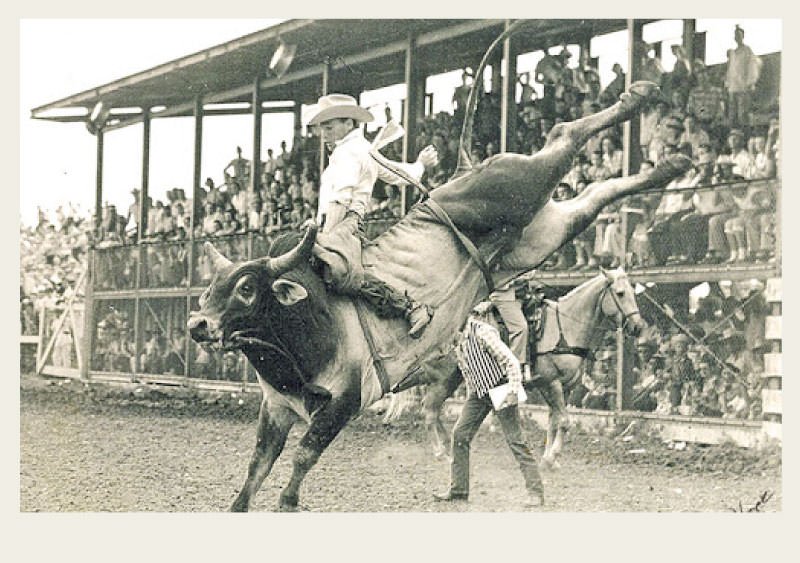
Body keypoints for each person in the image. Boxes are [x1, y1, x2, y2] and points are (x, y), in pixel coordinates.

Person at [308, 93, 439, 338]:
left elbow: (340, 200)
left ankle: (408, 307)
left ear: (348, 123)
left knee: (335, 272)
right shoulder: (360, 150)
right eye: (321, 128)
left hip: (342, 222)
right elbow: (398, 174)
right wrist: (420, 164)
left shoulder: (350, 152)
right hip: (344, 222)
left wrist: (323, 237)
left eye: (329, 127)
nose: (323, 133)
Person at [433, 301, 545, 508]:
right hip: (479, 393)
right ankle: (459, 490)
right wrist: (472, 395)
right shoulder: (455, 339)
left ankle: (536, 492)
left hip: (501, 387)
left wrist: (512, 390)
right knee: (460, 435)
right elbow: (469, 371)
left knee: (516, 441)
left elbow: (510, 361)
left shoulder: (483, 332)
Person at [725, 25, 762, 130]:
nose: (737, 37)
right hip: (733, 88)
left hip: (743, 87)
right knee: (732, 115)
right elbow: (730, 69)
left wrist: (750, 82)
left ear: (743, 36)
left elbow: (752, 66)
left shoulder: (747, 50)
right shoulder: (733, 53)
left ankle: (744, 137)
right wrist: (728, 83)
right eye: (736, 35)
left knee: (742, 115)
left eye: (739, 35)